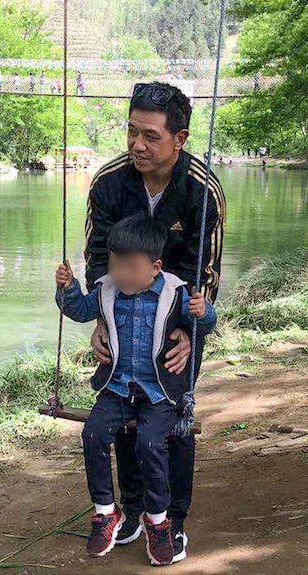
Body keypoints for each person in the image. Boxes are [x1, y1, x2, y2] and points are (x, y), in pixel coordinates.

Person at [84, 81, 225, 564]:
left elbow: (205, 271)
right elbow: (97, 258)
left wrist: (186, 330)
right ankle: (133, 509)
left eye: (150, 136)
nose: (137, 145)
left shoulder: (202, 189)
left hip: (178, 320)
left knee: (171, 419)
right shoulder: (108, 183)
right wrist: (100, 322)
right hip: (120, 316)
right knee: (123, 411)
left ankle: (173, 522)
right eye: (131, 132)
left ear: (180, 138)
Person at [55, 214, 217, 565]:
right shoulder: (108, 289)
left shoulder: (176, 294)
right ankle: (105, 511)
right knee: (94, 435)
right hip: (117, 389)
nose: (121, 274)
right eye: (115, 265)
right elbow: (78, 310)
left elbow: (204, 325)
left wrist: (203, 313)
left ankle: (157, 520)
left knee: (149, 442)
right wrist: (68, 287)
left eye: (130, 267)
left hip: (160, 393)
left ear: (155, 267)